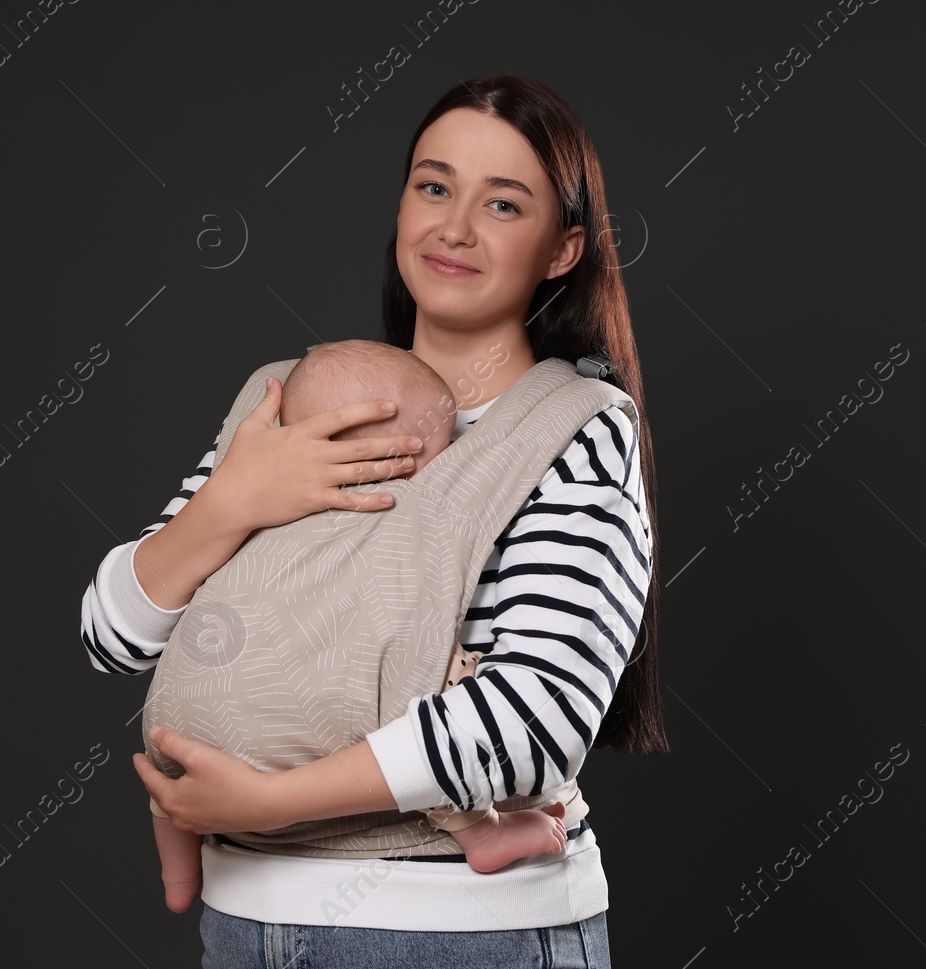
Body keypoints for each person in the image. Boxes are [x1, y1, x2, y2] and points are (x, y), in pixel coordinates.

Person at [80, 75, 666, 966]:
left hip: (463, 938)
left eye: (503, 204)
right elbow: (111, 636)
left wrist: (272, 801)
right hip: (244, 931)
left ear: (563, 248)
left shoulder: (574, 430)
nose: (455, 226)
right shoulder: (290, 401)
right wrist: (234, 499)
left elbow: (534, 719)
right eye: (434, 186)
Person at [146, 337, 576, 913]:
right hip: (319, 719)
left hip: (181, 714)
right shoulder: (408, 510)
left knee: (167, 774)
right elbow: (522, 716)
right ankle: (482, 833)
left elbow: (122, 633)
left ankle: (178, 878)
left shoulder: (261, 493)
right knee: (432, 677)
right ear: (411, 451)